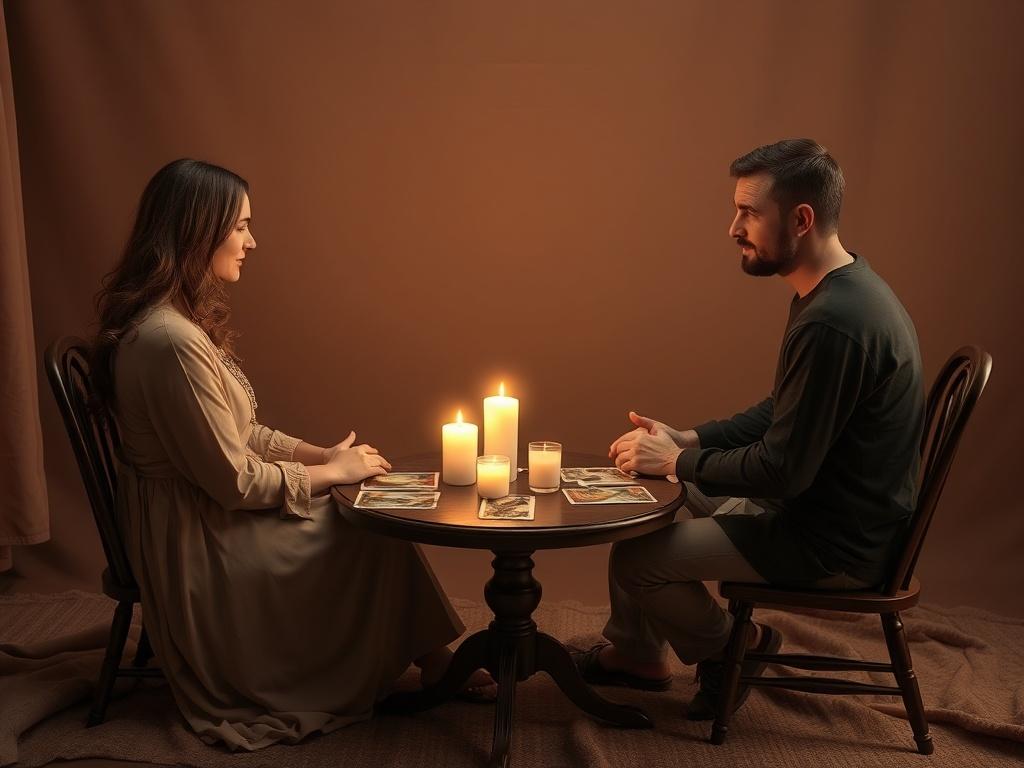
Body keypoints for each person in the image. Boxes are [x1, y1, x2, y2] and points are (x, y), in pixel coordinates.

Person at [92, 158, 491, 751]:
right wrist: (331, 474)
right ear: (198, 228)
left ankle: (430, 656)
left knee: (362, 511)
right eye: (241, 226)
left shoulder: (174, 325)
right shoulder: (170, 342)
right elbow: (232, 481)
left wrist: (321, 453)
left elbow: (240, 431)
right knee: (364, 523)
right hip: (199, 538)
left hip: (200, 511)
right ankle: (421, 659)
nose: (252, 241)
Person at [574, 139, 924, 721]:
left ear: (801, 219)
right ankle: (638, 656)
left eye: (749, 213)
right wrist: (690, 440)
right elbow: (782, 410)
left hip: (832, 542)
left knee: (637, 559)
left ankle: (738, 649)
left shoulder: (836, 322)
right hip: (823, 512)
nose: (733, 227)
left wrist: (675, 463)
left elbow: (783, 470)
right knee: (644, 500)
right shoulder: (838, 287)